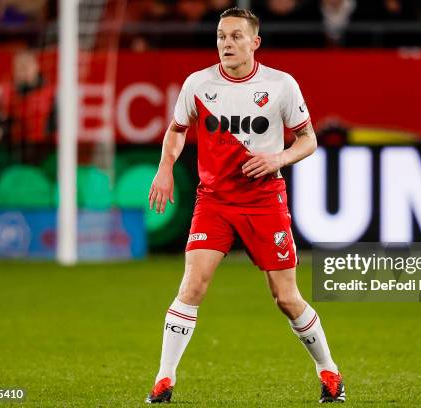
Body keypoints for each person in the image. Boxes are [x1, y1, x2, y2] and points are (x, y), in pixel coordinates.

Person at [145, 7, 345, 404]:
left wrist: (278, 158)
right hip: (215, 200)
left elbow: (308, 139)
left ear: (255, 43)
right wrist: (165, 166)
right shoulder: (198, 84)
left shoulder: (281, 85)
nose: (226, 43)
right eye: (221, 36)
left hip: (264, 199)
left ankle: (329, 371)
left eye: (236, 36)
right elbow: (177, 130)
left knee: (285, 297)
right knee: (192, 285)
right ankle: (163, 380)